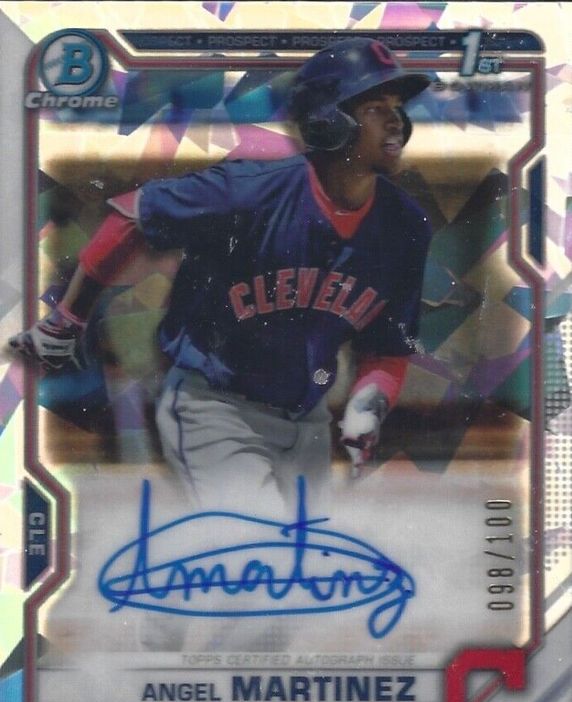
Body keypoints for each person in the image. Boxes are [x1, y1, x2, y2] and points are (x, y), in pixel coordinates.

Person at [10, 38, 432, 513]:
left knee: (301, 554)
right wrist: (68, 319)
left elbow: (388, 347)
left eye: (396, 107)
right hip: (215, 408)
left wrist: (366, 404)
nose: (396, 121)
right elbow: (133, 214)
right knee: (256, 538)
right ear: (326, 121)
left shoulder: (404, 226)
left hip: (306, 418)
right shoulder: (248, 192)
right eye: (375, 107)